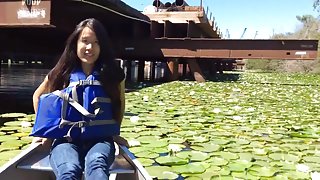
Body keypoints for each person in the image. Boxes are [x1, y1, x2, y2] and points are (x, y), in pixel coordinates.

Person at [31, 18, 127, 180]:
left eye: (96, 42)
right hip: (66, 139)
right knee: (69, 169)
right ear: (75, 43)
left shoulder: (113, 75)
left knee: (97, 164)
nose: (90, 47)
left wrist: (115, 133)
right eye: (85, 41)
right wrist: (47, 131)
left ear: (102, 46)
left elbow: (120, 105)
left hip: (101, 140)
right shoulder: (62, 72)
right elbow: (38, 96)